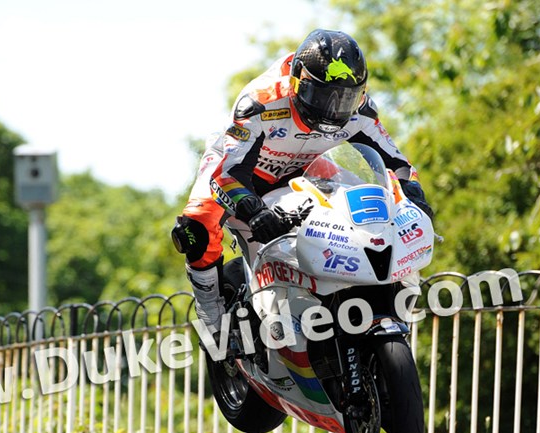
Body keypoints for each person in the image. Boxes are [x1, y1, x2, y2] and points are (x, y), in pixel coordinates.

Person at [171, 28, 433, 334]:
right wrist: (254, 212)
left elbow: (399, 164)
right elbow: (227, 173)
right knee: (195, 228)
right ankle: (213, 322)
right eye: (320, 96)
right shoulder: (261, 102)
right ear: (298, 81)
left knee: (377, 214)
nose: (332, 109)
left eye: (345, 99)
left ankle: (381, 301)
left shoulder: (361, 110)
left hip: (310, 171)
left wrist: (417, 198)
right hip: (246, 175)